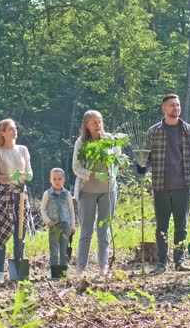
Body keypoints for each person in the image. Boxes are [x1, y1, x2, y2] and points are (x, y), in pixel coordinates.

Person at [137, 94, 190, 275]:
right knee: (161, 227)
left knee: (181, 226)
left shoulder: (189, 130)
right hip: (160, 185)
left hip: (183, 184)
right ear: (164, 108)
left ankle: (179, 261)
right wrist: (141, 166)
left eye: (178, 105)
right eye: (172, 105)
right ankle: (162, 263)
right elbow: (145, 154)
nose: (176, 108)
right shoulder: (154, 131)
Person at [72, 110, 119, 277]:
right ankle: (80, 267)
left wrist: (111, 173)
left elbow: (117, 162)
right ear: (86, 125)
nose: (98, 125)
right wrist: (92, 174)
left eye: (100, 121)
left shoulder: (110, 141)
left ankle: (103, 266)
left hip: (107, 190)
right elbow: (76, 168)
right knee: (86, 230)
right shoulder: (81, 143)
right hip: (87, 191)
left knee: (104, 229)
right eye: (94, 122)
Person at [0, 118, 33, 283]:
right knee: (1, 232)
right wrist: (9, 178)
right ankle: (0, 273)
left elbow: (29, 171)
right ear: (3, 132)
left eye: (15, 128)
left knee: (20, 234)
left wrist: (28, 175)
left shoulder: (23, 149)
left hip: (21, 195)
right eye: (11, 129)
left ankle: (18, 272)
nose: (15, 131)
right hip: (5, 195)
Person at [39, 167, 76, 279]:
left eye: (59, 179)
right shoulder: (48, 194)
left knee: (64, 249)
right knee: (54, 248)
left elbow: (71, 210)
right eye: (54, 179)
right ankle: (54, 273)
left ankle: (63, 273)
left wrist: (72, 226)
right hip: (53, 225)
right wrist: (47, 221)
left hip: (65, 225)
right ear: (50, 180)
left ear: (63, 180)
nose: (57, 181)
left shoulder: (67, 194)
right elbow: (42, 209)